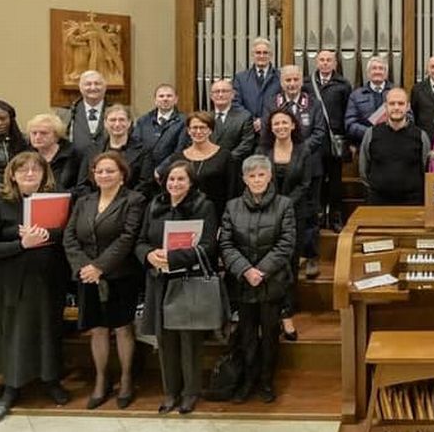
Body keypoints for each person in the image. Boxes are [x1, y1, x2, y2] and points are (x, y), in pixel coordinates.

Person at [0, 152, 72, 423]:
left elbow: (67, 233)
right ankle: (11, 388)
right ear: (13, 175)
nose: (30, 174)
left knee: (49, 330)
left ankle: (51, 381)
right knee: (16, 334)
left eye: (35, 170)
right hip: (13, 283)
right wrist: (21, 244)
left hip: (49, 280)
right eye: (23, 171)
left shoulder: (57, 201)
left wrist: (48, 234)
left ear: (45, 175)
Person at [63, 151, 147, 410]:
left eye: (110, 171)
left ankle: (126, 378)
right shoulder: (84, 201)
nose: (104, 175)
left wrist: (100, 267)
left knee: (122, 328)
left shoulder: (134, 200)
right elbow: (69, 236)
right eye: (99, 171)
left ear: (122, 174)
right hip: (87, 276)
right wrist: (84, 268)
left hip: (121, 274)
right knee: (97, 329)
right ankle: (101, 379)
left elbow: (127, 237)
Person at [135, 161, 218, 415]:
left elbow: (207, 246)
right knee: (165, 339)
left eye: (181, 180)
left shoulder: (204, 206)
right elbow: (140, 241)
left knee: (188, 340)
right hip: (158, 280)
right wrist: (149, 255)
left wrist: (174, 258)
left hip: (186, 281)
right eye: (171, 179)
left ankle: (190, 392)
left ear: (191, 182)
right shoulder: (155, 205)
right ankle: (170, 391)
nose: (175, 184)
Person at [220, 155, 297, 404]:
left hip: (272, 282)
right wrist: (245, 270)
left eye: (261, 175)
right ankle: (248, 380)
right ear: (244, 179)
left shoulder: (284, 205)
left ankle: (266, 381)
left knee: (270, 335)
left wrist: (261, 271)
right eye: (251, 176)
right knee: (247, 335)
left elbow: (286, 243)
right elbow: (226, 244)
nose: (256, 180)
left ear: (270, 176)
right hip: (242, 282)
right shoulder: (232, 206)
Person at [261, 107, 315, 340]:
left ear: (293, 125)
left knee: (290, 262)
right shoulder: (262, 150)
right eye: (276, 124)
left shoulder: (303, 150)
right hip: (267, 212)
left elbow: (305, 184)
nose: (281, 127)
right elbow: (259, 178)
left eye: (285, 123)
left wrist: (284, 204)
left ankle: (288, 308)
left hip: (295, 213)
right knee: (272, 261)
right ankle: (274, 308)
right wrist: (273, 202)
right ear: (271, 128)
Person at [305, 49, 353, 230]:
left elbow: (347, 114)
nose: (325, 63)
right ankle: (316, 218)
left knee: (335, 182)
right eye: (322, 60)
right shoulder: (307, 84)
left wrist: (348, 140)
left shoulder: (343, 85)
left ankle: (335, 217)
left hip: (335, 141)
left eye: (329, 60)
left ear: (335, 63)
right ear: (316, 62)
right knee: (315, 181)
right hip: (314, 141)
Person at [359, 88, 431, 205]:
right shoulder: (371, 133)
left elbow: (426, 169)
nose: (396, 107)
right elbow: (364, 170)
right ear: (385, 106)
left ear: (407, 107)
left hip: (412, 202)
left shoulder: (421, 136)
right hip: (378, 201)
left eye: (401, 103)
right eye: (392, 103)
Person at [164, 111, 238, 216]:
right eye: (194, 128)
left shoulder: (225, 156)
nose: (198, 131)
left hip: (216, 214)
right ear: (188, 131)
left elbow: (232, 190)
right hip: (182, 216)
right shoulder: (177, 158)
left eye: (203, 127)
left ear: (210, 130)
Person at [84, 104, 154, 198]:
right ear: (105, 123)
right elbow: (84, 183)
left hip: (131, 203)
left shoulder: (144, 150)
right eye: (112, 120)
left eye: (121, 120)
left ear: (129, 123)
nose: (117, 124)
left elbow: (145, 185)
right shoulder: (93, 150)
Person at [26, 113, 85, 194]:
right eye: (34, 133)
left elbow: (83, 187)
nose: (37, 137)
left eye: (43, 133)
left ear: (56, 136)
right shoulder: (25, 156)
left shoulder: (75, 154)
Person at [132, 83, 186, 169]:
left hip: (171, 171)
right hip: (144, 171)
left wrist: (161, 170)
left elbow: (180, 150)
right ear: (155, 100)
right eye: (161, 96)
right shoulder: (143, 121)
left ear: (176, 99)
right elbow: (135, 146)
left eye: (169, 96)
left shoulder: (184, 122)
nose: (165, 99)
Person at [58, 69, 111, 155]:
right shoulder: (66, 114)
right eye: (88, 84)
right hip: (75, 165)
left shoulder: (116, 113)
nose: (93, 88)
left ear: (105, 87)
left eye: (97, 84)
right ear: (80, 87)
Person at [232, 36, 280, 131]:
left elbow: (283, 104)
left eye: (265, 53)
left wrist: (264, 121)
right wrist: (252, 121)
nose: (261, 56)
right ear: (252, 55)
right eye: (258, 53)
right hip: (247, 129)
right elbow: (235, 103)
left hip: (272, 130)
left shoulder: (280, 77)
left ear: (271, 55)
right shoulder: (240, 78)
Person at [344, 56, 393, 146]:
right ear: (368, 73)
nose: (377, 72)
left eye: (381, 69)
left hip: (392, 143)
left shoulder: (396, 93)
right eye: (374, 68)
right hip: (365, 144)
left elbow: (409, 118)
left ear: (386, 73)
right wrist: (370, 133)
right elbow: (350, 124)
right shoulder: (356, 95)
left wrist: (391, 131)